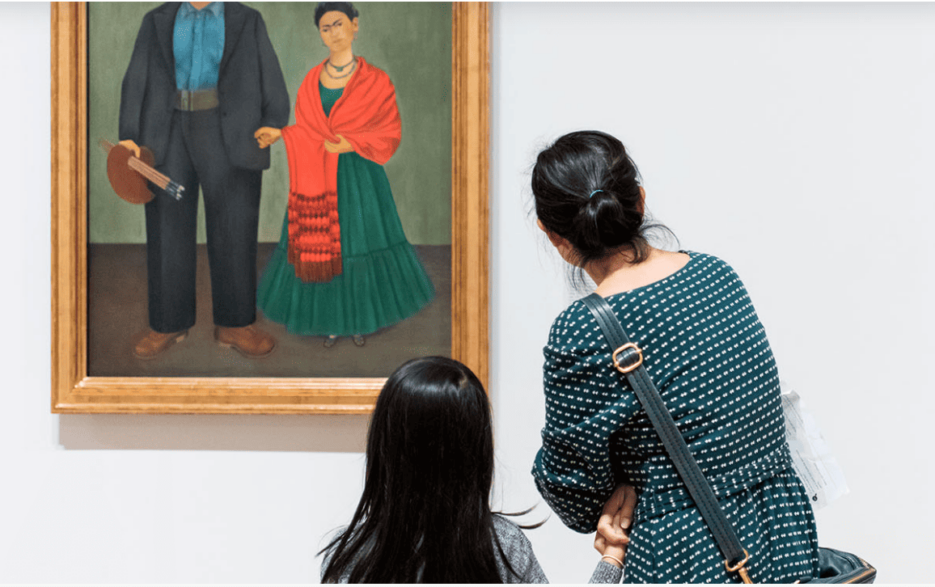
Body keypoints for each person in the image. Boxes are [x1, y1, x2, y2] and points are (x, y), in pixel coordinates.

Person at [529, 131, 822, 583]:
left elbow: (574, 495)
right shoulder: (717, 275)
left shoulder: (582, 330)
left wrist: (627, 491)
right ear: (640, 201)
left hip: (687, 554)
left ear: (554, 238)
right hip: (783, 538)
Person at [321, 356, 635, 583]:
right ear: (475, 452)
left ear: (383, 446)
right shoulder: (502, 546)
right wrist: (611, 559)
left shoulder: (349, 557)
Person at [254, 2, 435, 349]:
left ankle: (360, 321)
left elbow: (389, 132)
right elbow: (307, 130)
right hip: (318, 177)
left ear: (355, 26)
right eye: (325, 28)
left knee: (359, 242)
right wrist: (282, 134)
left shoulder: (377, 80)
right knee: (322, 247)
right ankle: (329, 321)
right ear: (320, 35)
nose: (333, 33)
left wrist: (350, 143)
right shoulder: (311, 81)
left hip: (361, 179)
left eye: (339, 24)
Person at [118, 2, 289, 359]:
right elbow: (136, 76)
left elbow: (268, 70)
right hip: (166, 133)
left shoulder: (247, 20)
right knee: (166, 224)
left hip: (230, 132)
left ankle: (235, 324)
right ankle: (167, 322)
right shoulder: (156, 21)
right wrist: (130, 134)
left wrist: (274, 118)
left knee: (234, 224)